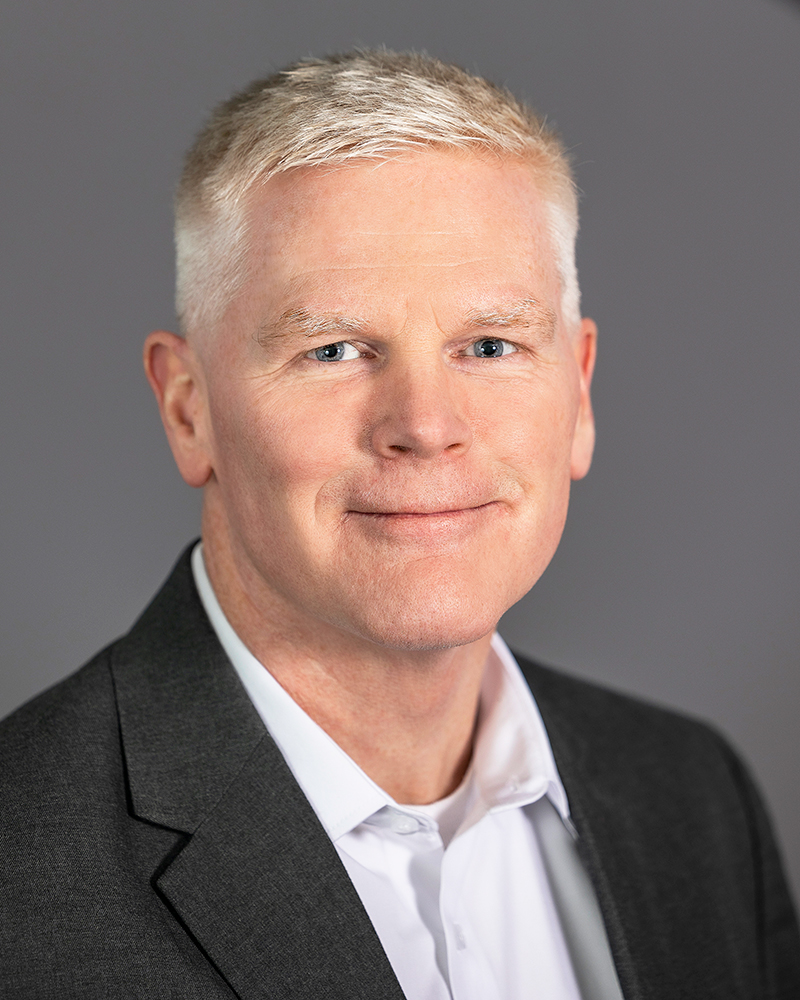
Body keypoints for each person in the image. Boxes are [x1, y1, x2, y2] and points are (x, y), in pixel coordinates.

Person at [1, 50, 797, 1000]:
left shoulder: (695, 800)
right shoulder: (20, 874)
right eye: (334, 350)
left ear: (579, 394)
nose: (424, 424)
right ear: (188, 409)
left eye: (491, 345)